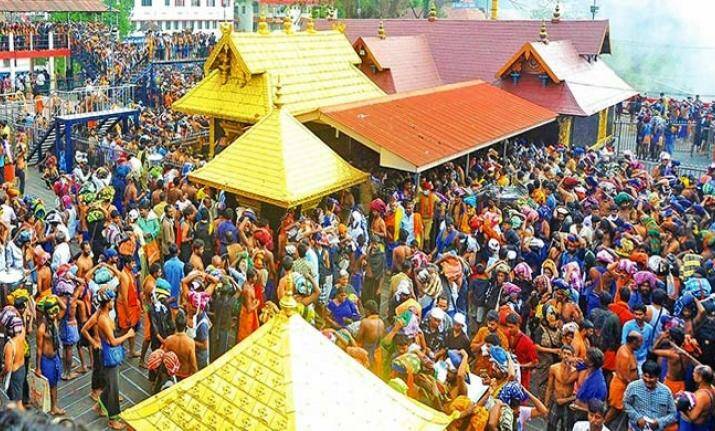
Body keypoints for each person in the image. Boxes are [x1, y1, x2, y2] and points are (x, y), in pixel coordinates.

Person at [95, 287, 134, 430]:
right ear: (107, 303)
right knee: (114, 388)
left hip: (109, 354)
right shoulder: (104, 319)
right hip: (108, 355)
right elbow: (113, 341)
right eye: (111, 300)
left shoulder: (105, 314)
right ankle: (113, 419)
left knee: (111, 385)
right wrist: (128, 335)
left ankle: (100, 405)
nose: (113, 303)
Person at [623, 360, 677, 431]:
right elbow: (626, 403)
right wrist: (637, 418)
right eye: (645, 376)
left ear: (657, 377)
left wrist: (658, 422)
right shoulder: (633, 387)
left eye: (651, 377)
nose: (648, 380)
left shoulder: (666, 392)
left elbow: (673, 414)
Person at [35, 295, 65, 415]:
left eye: (55, 313)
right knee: (47, 386)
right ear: (47, 313)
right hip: (46, 360)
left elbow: (64, 308)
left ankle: (54, 407)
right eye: (52, 313)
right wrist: (38, 368)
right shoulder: (42, 328)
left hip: (55, 357)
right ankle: (46, 409)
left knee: (54, 385)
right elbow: (39, 349)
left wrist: (55, 297)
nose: (54, 315)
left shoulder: (55, 320)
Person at [606, 330, 641, 424]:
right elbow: (625, 376)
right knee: (613, 412)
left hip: (624, 387)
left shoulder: (629, 350)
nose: (641, 345)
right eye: (639, 342)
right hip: (620, 387)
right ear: (634, 342)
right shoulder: (624, 354)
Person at [544, 344, 577, 431]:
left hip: (567, 402)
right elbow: (549, 388)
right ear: (561, 354)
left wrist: (571, 398)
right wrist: (546, 405)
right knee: (551, 426)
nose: (566, 356)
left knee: (566, 427)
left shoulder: (575, 371)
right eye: (564, 353)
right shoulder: (554, 368)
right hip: (556, 400)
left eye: (568, 354)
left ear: (573, 356)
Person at [677, 364, 714, 430]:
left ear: (700, 378)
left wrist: (682, 407)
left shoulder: (702, 396)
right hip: (704, 424)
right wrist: (686, 394)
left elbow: (692, 417)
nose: (693, 374)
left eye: (695, 373)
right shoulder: (711, 388)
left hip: (692, 427)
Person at [162, 309, 197, 380]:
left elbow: (164, 357)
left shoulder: (169, 340)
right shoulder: (190, 342)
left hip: (172, 374)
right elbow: (193, 365)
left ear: (175, 324)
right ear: (185, 325)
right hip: (185, 375)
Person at [621, 304, 653, 370]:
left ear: (645, 314)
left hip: (642, 359)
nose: (637, 317)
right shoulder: (628, 326)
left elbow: (649, 344)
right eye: (636, 314)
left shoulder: (649, 328)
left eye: (640, 314)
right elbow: (623, 343)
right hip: (629, 358)